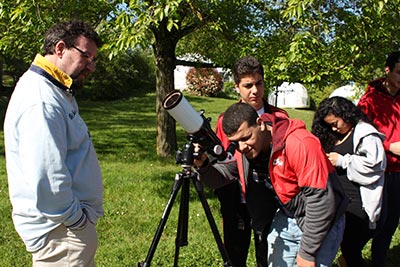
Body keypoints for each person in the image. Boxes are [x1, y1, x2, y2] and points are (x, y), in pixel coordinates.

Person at [3, 20, 103, 266]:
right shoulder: (41, 99)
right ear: (60, 48)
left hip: (66, 231)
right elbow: (47, 175)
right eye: (86, 57)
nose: (90, 67)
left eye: (93, 60)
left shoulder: (56, 89)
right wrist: (76, 221)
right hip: (61, 233)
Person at [220, 102, 348, 267]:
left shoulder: (300, 143)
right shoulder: (250, 148)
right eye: (235, 142)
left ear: (260, 124)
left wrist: (307, 252)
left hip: (322, 219)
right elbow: (226, 173)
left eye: (245, 138)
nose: (242, 147)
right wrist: (203, 166)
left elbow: (321, 201)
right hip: (289, 216)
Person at [195, 56, 287, 267]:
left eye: (259, 83)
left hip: (269, 200)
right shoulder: (225, 119)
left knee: (268, 256)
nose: (255, 90)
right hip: (236, 199)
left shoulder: (280, 117)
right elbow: (223, 158)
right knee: (235, 256)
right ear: (237, 87)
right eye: (248, 85)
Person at [312, 96, 386, 266]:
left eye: (335, 123)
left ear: (346, 115)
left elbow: (375, 165)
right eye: (329, 125)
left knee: (351, 248)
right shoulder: (332, 135)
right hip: (337, 201)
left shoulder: (366, 135)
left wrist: (343, 161)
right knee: (345, 247)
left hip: (358, 204)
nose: (334, 128)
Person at [357, 51, 400, 267]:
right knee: (373, 221)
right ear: (388, 70)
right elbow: (359, 134)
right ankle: (349, 252)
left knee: (391, 222)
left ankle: (378, 261)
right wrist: (389, 146)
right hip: (380, 170)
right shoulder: (370, 100)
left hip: (399, 172)